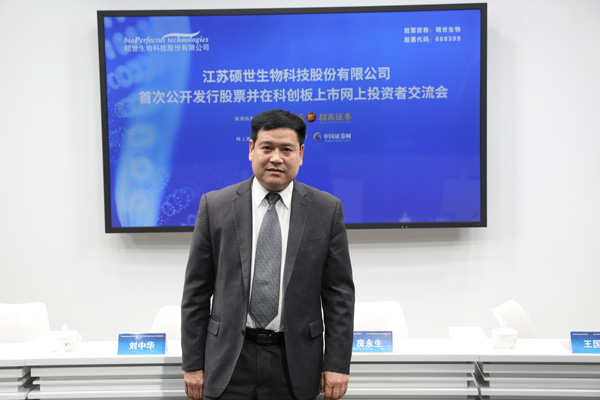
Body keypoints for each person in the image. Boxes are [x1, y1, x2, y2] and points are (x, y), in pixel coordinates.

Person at [181, 109, 355, 400]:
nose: (276, 158)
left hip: (296, 362)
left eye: (286, 149)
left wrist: (336, 363)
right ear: (251, 149)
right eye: (267, 148)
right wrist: (193, 364)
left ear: (301, 154)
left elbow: (339, 295)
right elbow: (196, 292)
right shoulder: (215, 206)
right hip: (228, 361)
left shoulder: (326, 210)